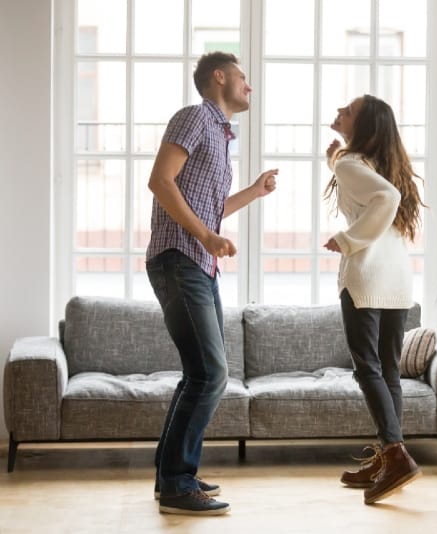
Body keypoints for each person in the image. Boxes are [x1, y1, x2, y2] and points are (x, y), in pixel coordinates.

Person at [145, 51, 278, 516]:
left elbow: (210, 207)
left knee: (198, 374)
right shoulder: (193, 118)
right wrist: (205, 236)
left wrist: (255, 192)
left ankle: (172, 477)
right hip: (179, 259)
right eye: (244, 77)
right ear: (219, 78)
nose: (250, 86)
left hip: (198, 263)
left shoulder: (221, 136)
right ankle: (178, 482)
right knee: (212, 374)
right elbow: (160, 181)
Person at [323, 94, 424, 505]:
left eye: (346, 112)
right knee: (388, 371)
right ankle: (388, 456)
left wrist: (348, 239)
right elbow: (387, 195)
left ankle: (396, 455)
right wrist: (335, 161)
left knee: (367, 369)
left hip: (366, 277)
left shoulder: (351, 164)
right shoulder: (386, 164)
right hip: (398, 277)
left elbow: (385, 199)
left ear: (362, 127)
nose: (338, 113)